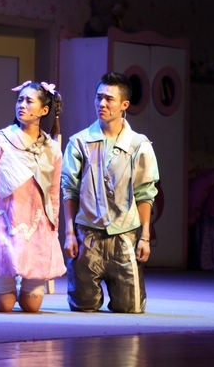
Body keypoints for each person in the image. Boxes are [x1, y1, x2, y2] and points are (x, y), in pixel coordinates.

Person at [61, 71, 159, 313]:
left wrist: (145, 237)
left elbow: (145, 193)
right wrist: (70, 233)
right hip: (88, 234)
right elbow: (69, 189)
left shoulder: (139, 145)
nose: (101, 104)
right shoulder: (80, 142)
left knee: (131, 308)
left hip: (124, 235)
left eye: (109, 99)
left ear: (124, 105)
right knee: (83, 305)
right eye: (98, 97)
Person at [0, 80, 66, 312]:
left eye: (29, 101)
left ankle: (22, 284)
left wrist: (53, 229)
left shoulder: (52, 148)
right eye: (20, 100)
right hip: (5, 224)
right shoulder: (2, 140)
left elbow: (53, 193)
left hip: (36, 228)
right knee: (4, 304)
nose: (22, 105)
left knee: (32, 305)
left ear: (44, 110)